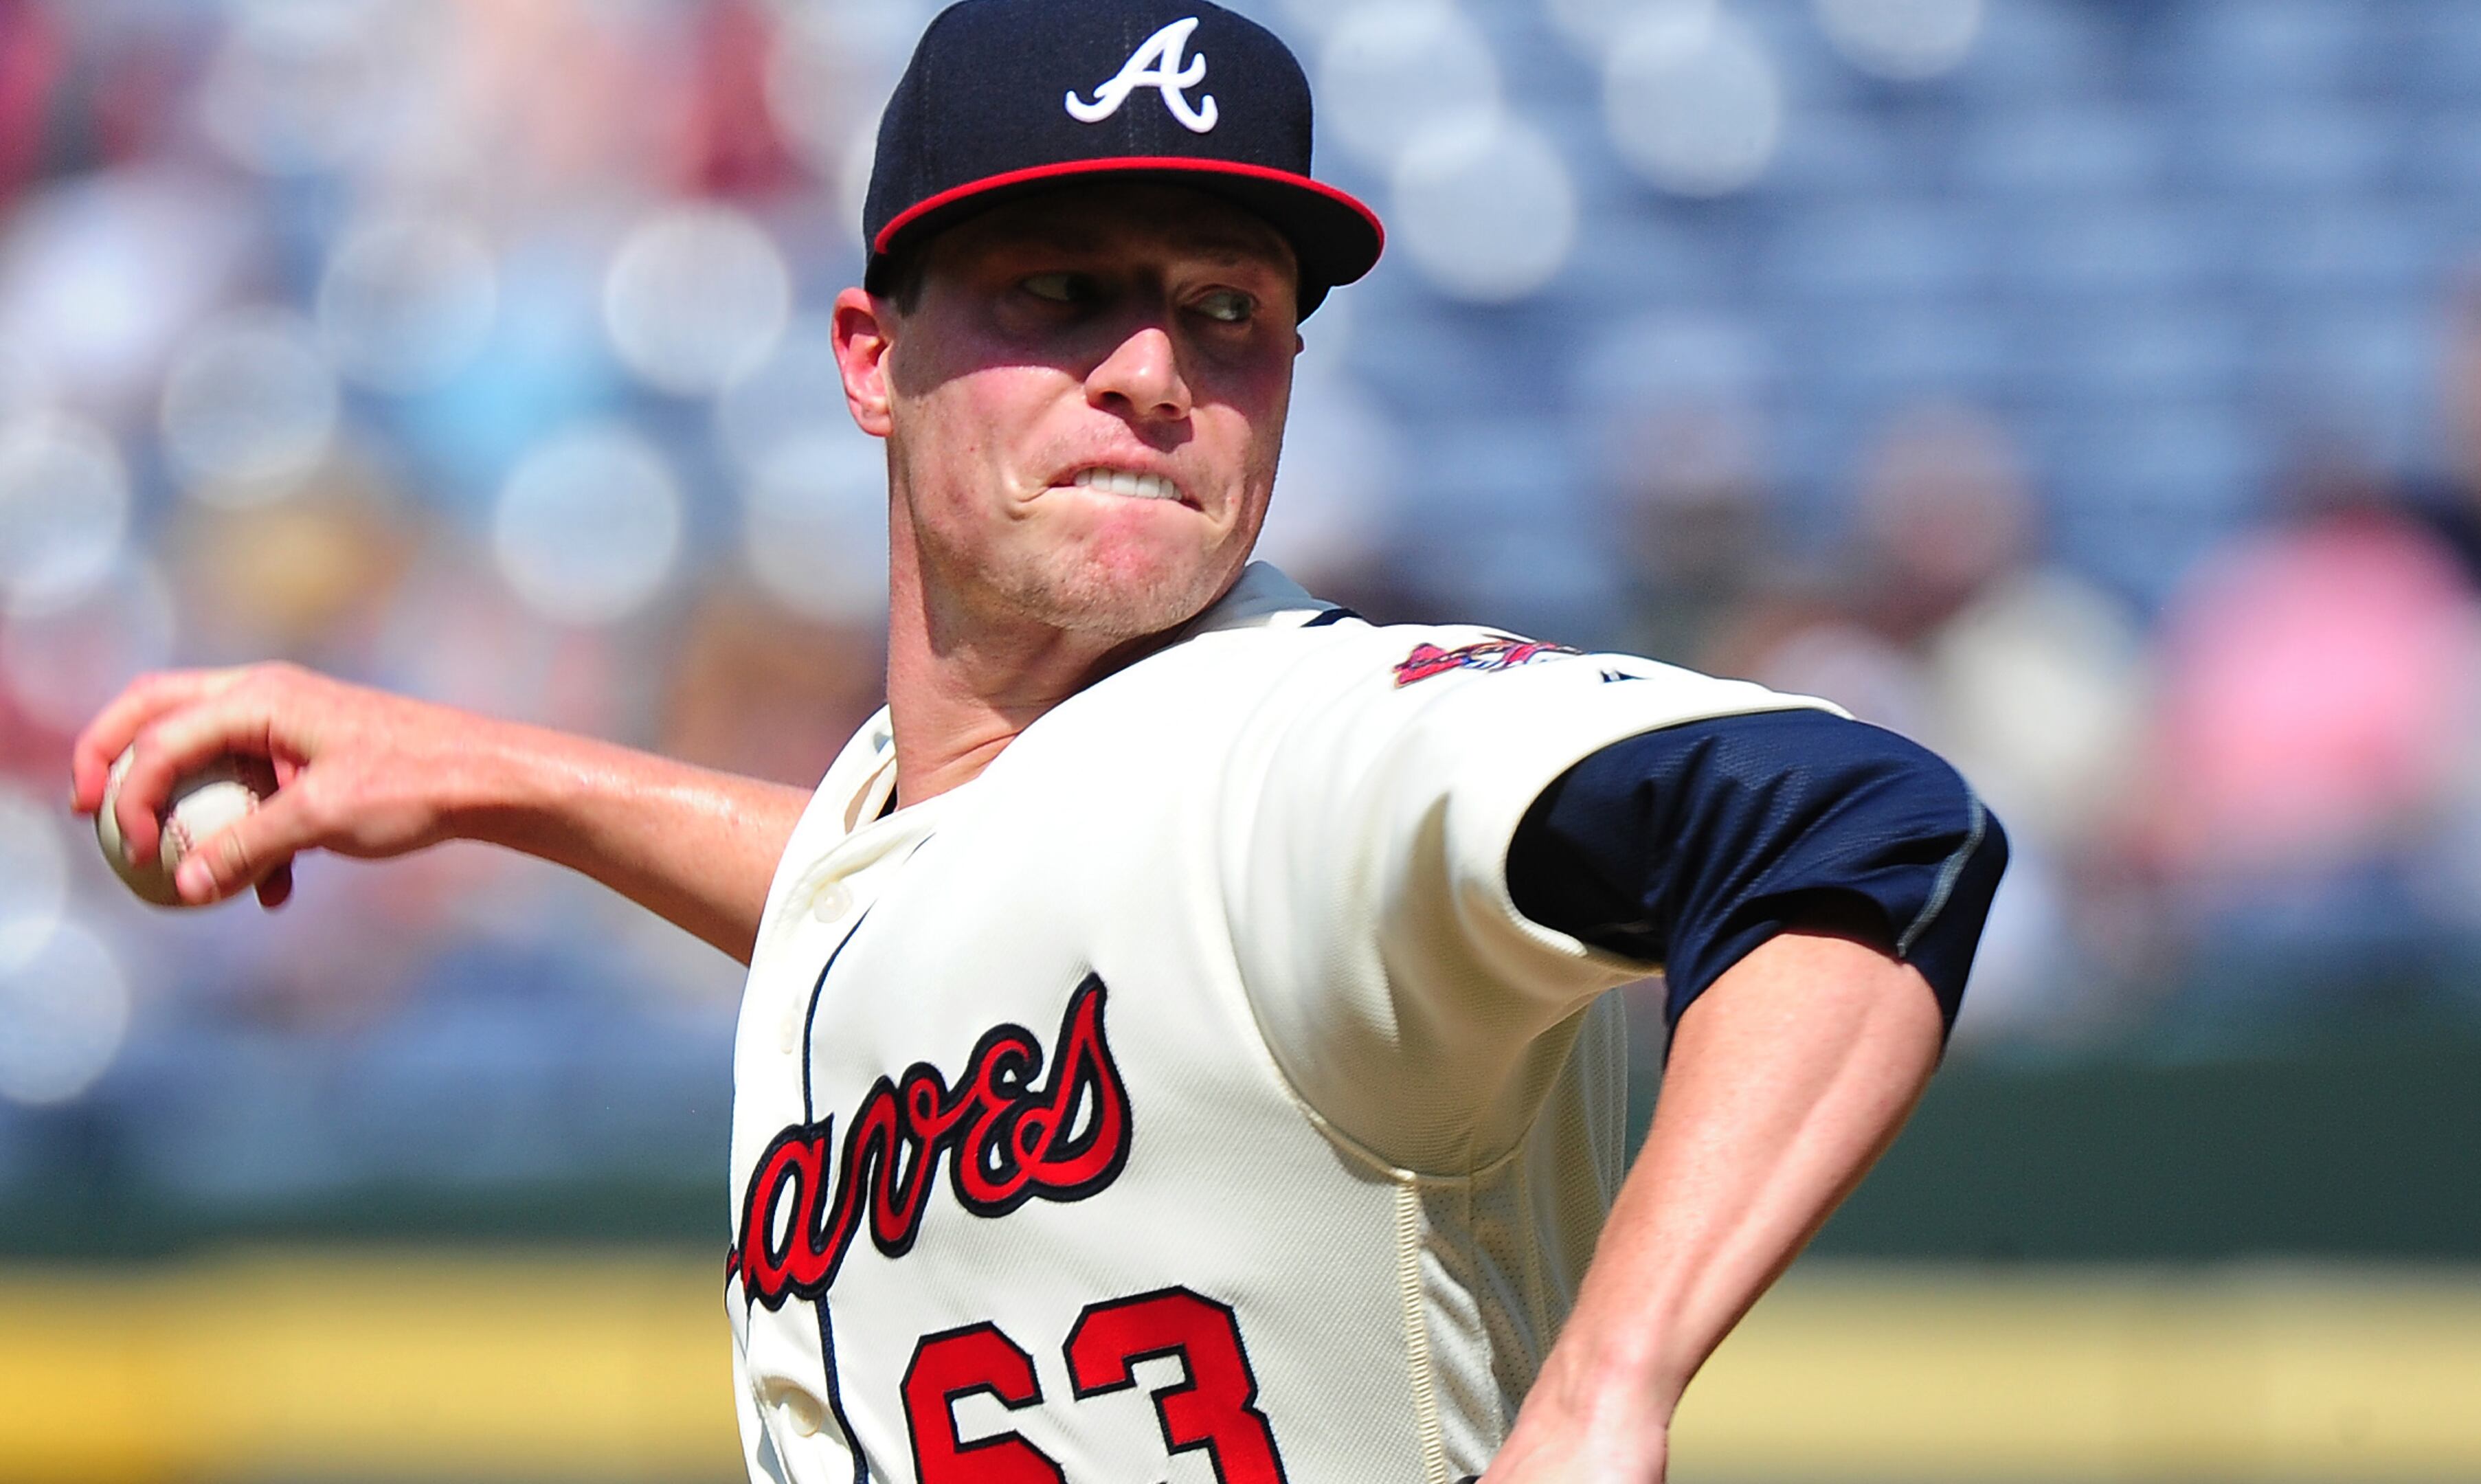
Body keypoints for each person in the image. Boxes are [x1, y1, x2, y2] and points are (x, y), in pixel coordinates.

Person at [70, 3, 2004, 1479]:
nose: (1153, 371)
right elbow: (937, 905)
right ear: (867, 357)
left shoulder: (1316, 748)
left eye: (1225, 312)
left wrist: (1607, 1389)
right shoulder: (962, 823)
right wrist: (501, 779)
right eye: (1060, 293)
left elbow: (1860, 826)